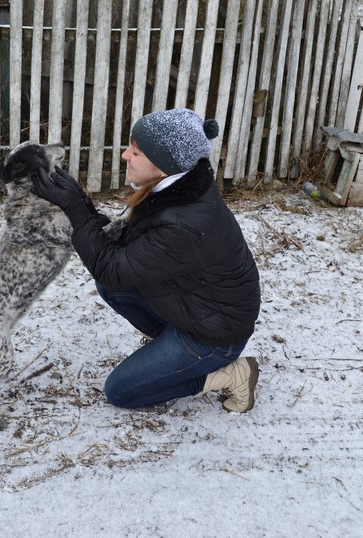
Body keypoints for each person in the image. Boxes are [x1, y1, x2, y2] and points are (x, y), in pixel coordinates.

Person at [31, 108, 261, 412]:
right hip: (199, 309)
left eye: (136, 152)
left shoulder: (183, 222)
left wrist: (74, 208)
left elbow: (110, 266)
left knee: (121, 392)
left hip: (214, 336)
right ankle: (169, 352)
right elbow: (119, 252)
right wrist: (79, 201)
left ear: (163, 165)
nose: (125, 156)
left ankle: (231, 374)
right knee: (110, 287)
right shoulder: (174, 190)